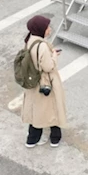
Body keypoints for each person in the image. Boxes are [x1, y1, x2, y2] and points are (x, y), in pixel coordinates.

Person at [21, 15, 67, 148]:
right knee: (53, 108)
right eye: (47, 27)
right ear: (41, 29)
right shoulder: (41, 46)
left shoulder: (30, 41)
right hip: (45, 82)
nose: (49, 29)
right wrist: (53, 55)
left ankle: (32, 139)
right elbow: (48, 66)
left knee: (37, 110)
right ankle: (54, 139)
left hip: (33, 81)